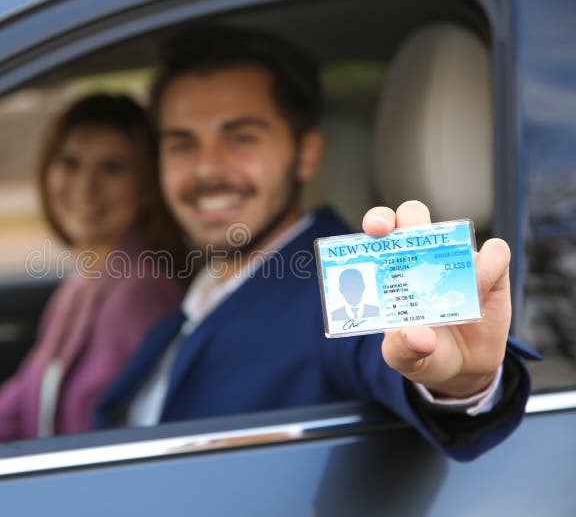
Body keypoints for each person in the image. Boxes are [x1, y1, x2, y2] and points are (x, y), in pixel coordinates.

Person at [95, 26, 540, 461]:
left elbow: (391, 348)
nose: (207, 169)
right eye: (181, 144)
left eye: (241, 138)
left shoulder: (343, 281)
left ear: (305, 153)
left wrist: (463, 384)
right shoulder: (198, 288)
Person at [0, 94, 185, 454]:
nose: (86, 187)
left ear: (149, 186)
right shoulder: (85, 282)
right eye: (70, 164)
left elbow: (118, 449)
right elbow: (17, 406)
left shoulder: (142, 294)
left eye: (113, 168)